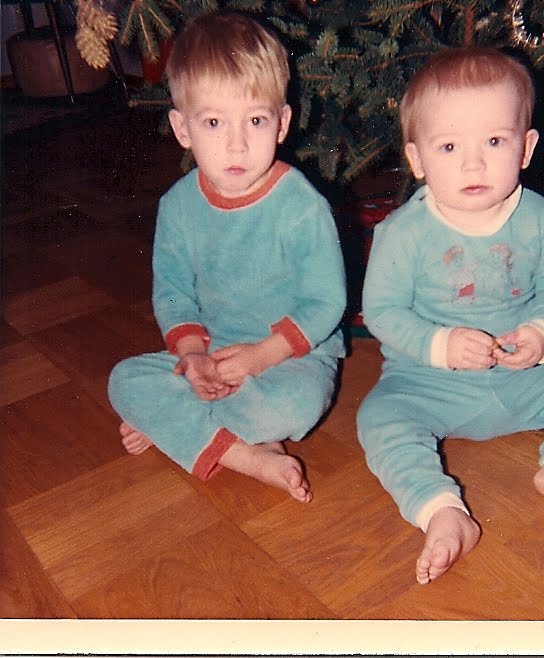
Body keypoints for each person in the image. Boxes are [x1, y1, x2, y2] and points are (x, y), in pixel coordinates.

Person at [357, 47, 544, 584]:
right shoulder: (403, 232)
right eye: (449, 146)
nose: (473, 164)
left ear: (526, 148)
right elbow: (382, 310)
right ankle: (441, 510)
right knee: (379, 417)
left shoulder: (538, 216)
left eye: (494, 141)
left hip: (524, 377)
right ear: (417, 160)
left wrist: (542, 333)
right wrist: (440, 345)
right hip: (428, 383)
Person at [108, 11, 346, 503]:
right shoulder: (178, 207)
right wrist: (193, 356)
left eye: (255, 120)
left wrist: (263, 356)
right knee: (123, 380)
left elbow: (326, 302)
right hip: (213, 351)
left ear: (281, 124)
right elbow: (173, 294)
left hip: (291, 357)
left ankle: (181, 428)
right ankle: (248, 453)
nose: (236, 144)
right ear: (183, 128)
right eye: (214, 122)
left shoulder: (302, 206)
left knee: (296, 404)